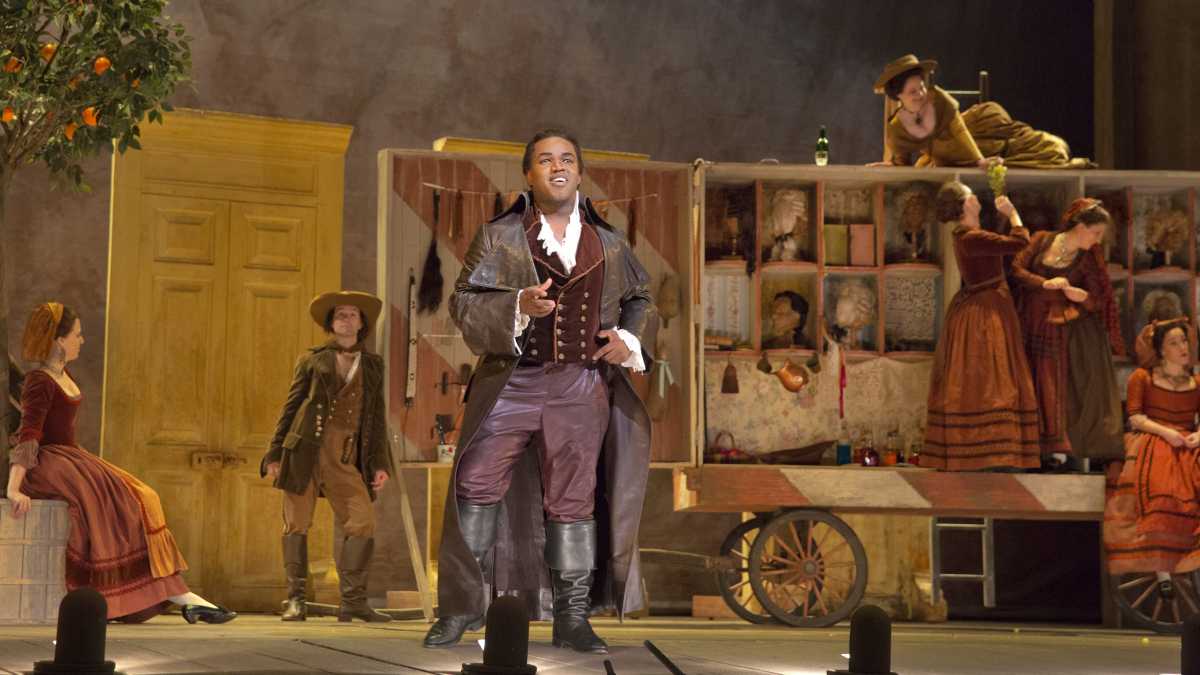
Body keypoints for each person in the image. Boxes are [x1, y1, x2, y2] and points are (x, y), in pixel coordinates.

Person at [422, 129, 657, 653]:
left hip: (581, 384)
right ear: (529, 174)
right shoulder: (499, 235)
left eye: (567, 159)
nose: (558, 167)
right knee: (474, 484)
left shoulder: (610, 242)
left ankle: (572, 619)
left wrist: (628, 338)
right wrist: (515, 307)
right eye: (546, 160)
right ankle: (461, 608)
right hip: (513, 380)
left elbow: (641, 298)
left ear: (579, 172)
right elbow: (463, 302)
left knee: (573, 500)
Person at [5, 302, 235, 623]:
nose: (81, 340)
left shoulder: (63, 374)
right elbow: (29, 434)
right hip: (50, 462)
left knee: (145, 496)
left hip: (72, 457)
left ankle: (179, 594)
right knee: (110, 503)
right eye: (76, 335)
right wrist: (14, 488)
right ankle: (173, 597)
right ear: (58, 340)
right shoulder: (39, 381)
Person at [261, 291, 392, 622]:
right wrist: (274, 453)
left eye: (352, 315)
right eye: (340, 315)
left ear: (361, 323)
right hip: (303, 450)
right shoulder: (312, 359)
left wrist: (379, 464)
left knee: (362, 520)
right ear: (331, 324)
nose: (346, 320)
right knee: (296, 523)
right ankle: (296, 601)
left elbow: (376, 417)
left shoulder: (373, 364)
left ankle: (353, 602)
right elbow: (291, 406)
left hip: (344, 455)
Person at [922, 182, 1039, 471]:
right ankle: (989, 451)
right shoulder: (970, 237)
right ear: (965, 204)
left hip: (987, 303)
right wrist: (1012, 214)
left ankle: (993, 450)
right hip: (985, 312)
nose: (975, 197)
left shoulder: (971, 235)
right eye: (970, 194)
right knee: (990, 376)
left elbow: (996, 245)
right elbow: (1020, 242)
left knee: (991, 375)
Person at [1011, 198, 1125, 467]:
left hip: (1064, 330)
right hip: (1030, 322)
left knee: (1057, 388)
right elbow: (1016, 269)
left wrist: (1081, 296)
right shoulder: (1042, 240)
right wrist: (1045, 283)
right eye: (1096, 232)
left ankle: (1058, 452)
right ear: (1080, 226)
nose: (1098, 240)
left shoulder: (1089, 258)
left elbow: (1099, 300)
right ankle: (1028, 450)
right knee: (1029, 382)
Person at [1105, 318, 1200, 595]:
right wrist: (1166, 433)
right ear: (1160, 350)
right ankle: (1161, 567)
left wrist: (1198, 435)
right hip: (1154, 438)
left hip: (1187, 441)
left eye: (1184, 341)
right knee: (1159, 487)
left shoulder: (1196, 381)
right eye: (1173, 343)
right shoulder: (1143, 377)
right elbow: (1135, 417)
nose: (1182, 347)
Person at [872, 54, 1091, 169]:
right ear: (898, 95)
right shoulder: (897, 128)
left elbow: (960, 131)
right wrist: (890, 165)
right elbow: (901, 160)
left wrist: (979, 161)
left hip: (977, 136)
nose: (920, 94)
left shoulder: (938, 99)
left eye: (921, 87)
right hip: (949, 158)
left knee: (1053, 148)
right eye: (912, 92)